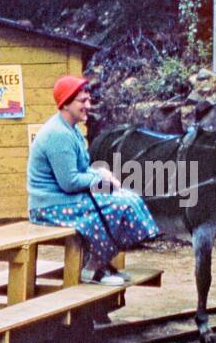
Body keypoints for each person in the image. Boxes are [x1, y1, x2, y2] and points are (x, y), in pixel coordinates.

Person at [27, 75, 158, 285]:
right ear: (66, 103)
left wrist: (103, 179)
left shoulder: (72, 130)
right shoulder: (57, 134)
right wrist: (100, 176)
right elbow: (69, 182)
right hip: (49, 206)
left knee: (127, 197)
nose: (88, 105)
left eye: (88, 100)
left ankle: (101, 261)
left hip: (67, 199)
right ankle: (92, 269)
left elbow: (80, 171)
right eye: (82, 101)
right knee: (116, 207)